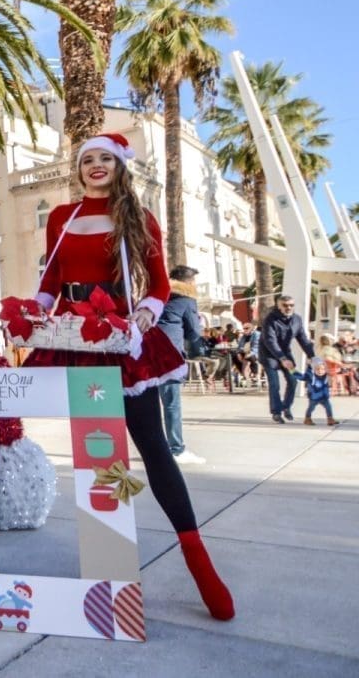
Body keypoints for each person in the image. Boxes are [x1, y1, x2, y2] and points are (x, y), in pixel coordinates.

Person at [24, 133, 234, 621]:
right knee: (95, 452)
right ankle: (108, 577)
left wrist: (145, 312)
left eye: (105, 159)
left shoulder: (139, 217)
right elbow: (51, 282)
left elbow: (158, 282)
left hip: (123, 339)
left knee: (154, 448)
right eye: (87, 159)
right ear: (77, 169)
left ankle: (199, 561)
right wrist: (31, 312)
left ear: (120, 167)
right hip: (72, 340)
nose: (95, 166)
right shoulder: (61, 216)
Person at [156, 265, 206, 464]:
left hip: (147, 352)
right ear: (189, 282)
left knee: (150, 404)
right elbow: (194, 332)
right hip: (169, 356)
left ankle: (155, 447)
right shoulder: (186, 300)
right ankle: (176, 449)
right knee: (171, 404)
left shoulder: (158, 296)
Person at [258, 295, 315, 424]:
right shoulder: (270, 319)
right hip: (269, 355)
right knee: (274, 384)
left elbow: (303, 340)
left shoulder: (297, 320)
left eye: (291, 305)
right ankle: (276, 412)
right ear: (278, 306)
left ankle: (286, 407)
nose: (288, 307)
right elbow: (270, 341)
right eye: (285, 305)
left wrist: (312, 356)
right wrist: (282, 358)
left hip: (286, 354)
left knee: (293, 380)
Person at [292, 358, 338, 426]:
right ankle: (307, 418)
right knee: (311, 408)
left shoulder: (325, 376)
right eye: (318, 369)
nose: (320, 371)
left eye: (322, 369)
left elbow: (332, 373)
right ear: (314, 370)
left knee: (328, 407)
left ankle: (330, 419)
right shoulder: (311, 377)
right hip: (314, 397)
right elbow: (301, 377)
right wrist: (292, 370)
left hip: (324, 397)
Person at [234, 321, 260, 386]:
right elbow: (240, 346)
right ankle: (244, 375)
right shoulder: (244, 336)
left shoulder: (256, 334)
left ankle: (255, 375)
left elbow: (256, 346)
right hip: (246, 352)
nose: (245, 330)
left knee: (250, 357)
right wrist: (238, 353)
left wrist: (250, 353)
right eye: (244, 328)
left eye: (247, 328)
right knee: (234, 356)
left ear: (252, 328)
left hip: (257, 352)